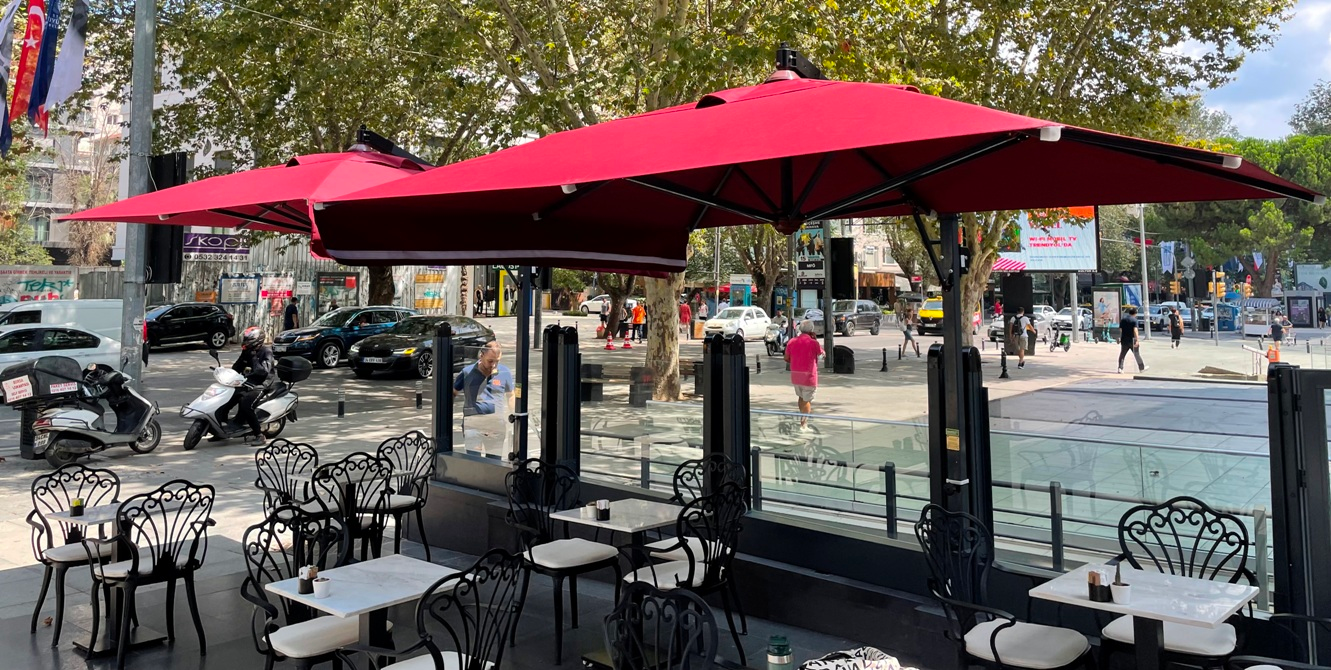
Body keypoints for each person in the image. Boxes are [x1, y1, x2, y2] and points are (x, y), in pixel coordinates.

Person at [453, 341, 515, 457]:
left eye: (497, 361)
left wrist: (513, 417)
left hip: (496, 424)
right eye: (490, 361)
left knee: (494, 463)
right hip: (473, 425)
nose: (494, 365)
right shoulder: (467, 373)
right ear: (482, 356)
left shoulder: (505, 372)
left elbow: (511, 395)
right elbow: (453, 393)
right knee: (474, 462)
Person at [230, 326, 276, 446]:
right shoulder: (247, 351)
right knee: (229, 397)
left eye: (248, 339)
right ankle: (221, 430)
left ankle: (259, 435)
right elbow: (237, 366)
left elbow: (263, 371)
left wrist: (254, 357)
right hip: (248, 381)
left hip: (262, 384)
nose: (246, 341)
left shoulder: (266, 352)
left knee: (246, 405)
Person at [784, 321, 823, 429]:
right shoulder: (813, 343)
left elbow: (786, 358)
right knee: (807, 400)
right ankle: (804, 423)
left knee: (801, 397)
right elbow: (821, 354)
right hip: (809, 376)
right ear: (811, 330)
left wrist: (796, 360)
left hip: (796, 375)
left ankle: (802, 416)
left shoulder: (792, 341)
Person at [1118, 306, 1147, 373]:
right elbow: (1135, 330)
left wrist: (1120, 337)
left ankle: (1120, 368)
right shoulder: (1134, 320)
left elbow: (1120, 330)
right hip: (1132, 340)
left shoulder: (1123, 320)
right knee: (1136, 354)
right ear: (1135, 313)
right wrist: (1137, 340)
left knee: (1122, 354)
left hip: (1124, 339)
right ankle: (1141, 368)